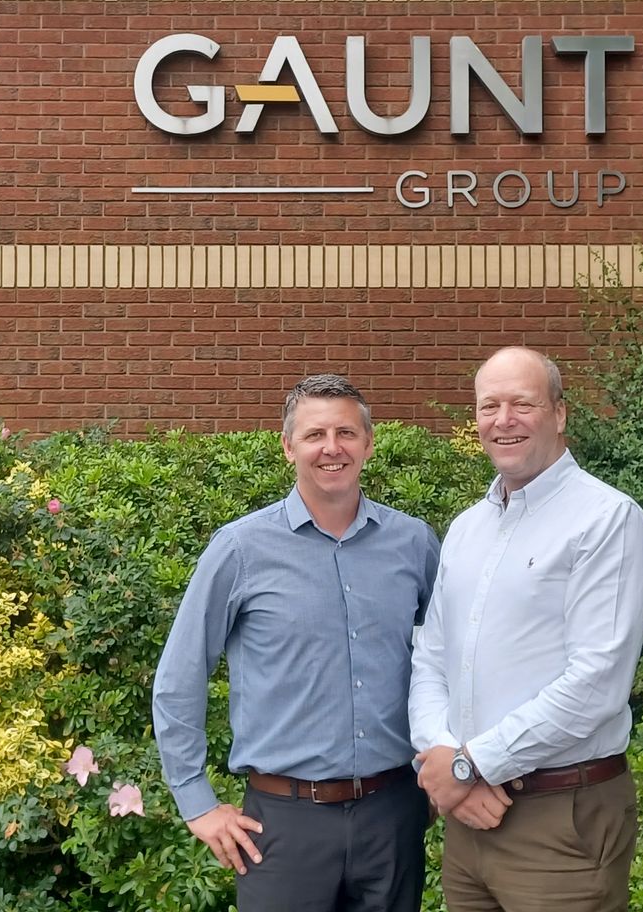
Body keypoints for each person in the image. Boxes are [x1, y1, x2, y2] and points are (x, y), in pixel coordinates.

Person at [152, 374, 441, 912]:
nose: (332, 448)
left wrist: (444, 764)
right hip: (283, 824)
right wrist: (197, 803)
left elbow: (450, 660)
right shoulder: (239, 549)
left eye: (346, 433)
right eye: (314, 435)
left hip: (394, 813)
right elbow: (180, 676)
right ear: (288, 447)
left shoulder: (414, 543)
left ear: (369, 444)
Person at [410, 347, 643, 912]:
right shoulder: (467, 528)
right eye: (488, 406)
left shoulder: (606, 520)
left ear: (560, 414)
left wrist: (467, 766)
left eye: (522, 403)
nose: (503, 420)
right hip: (469, 821)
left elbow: (595, 684)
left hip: (560, 823)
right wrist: (442, 757)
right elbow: (431, 658)